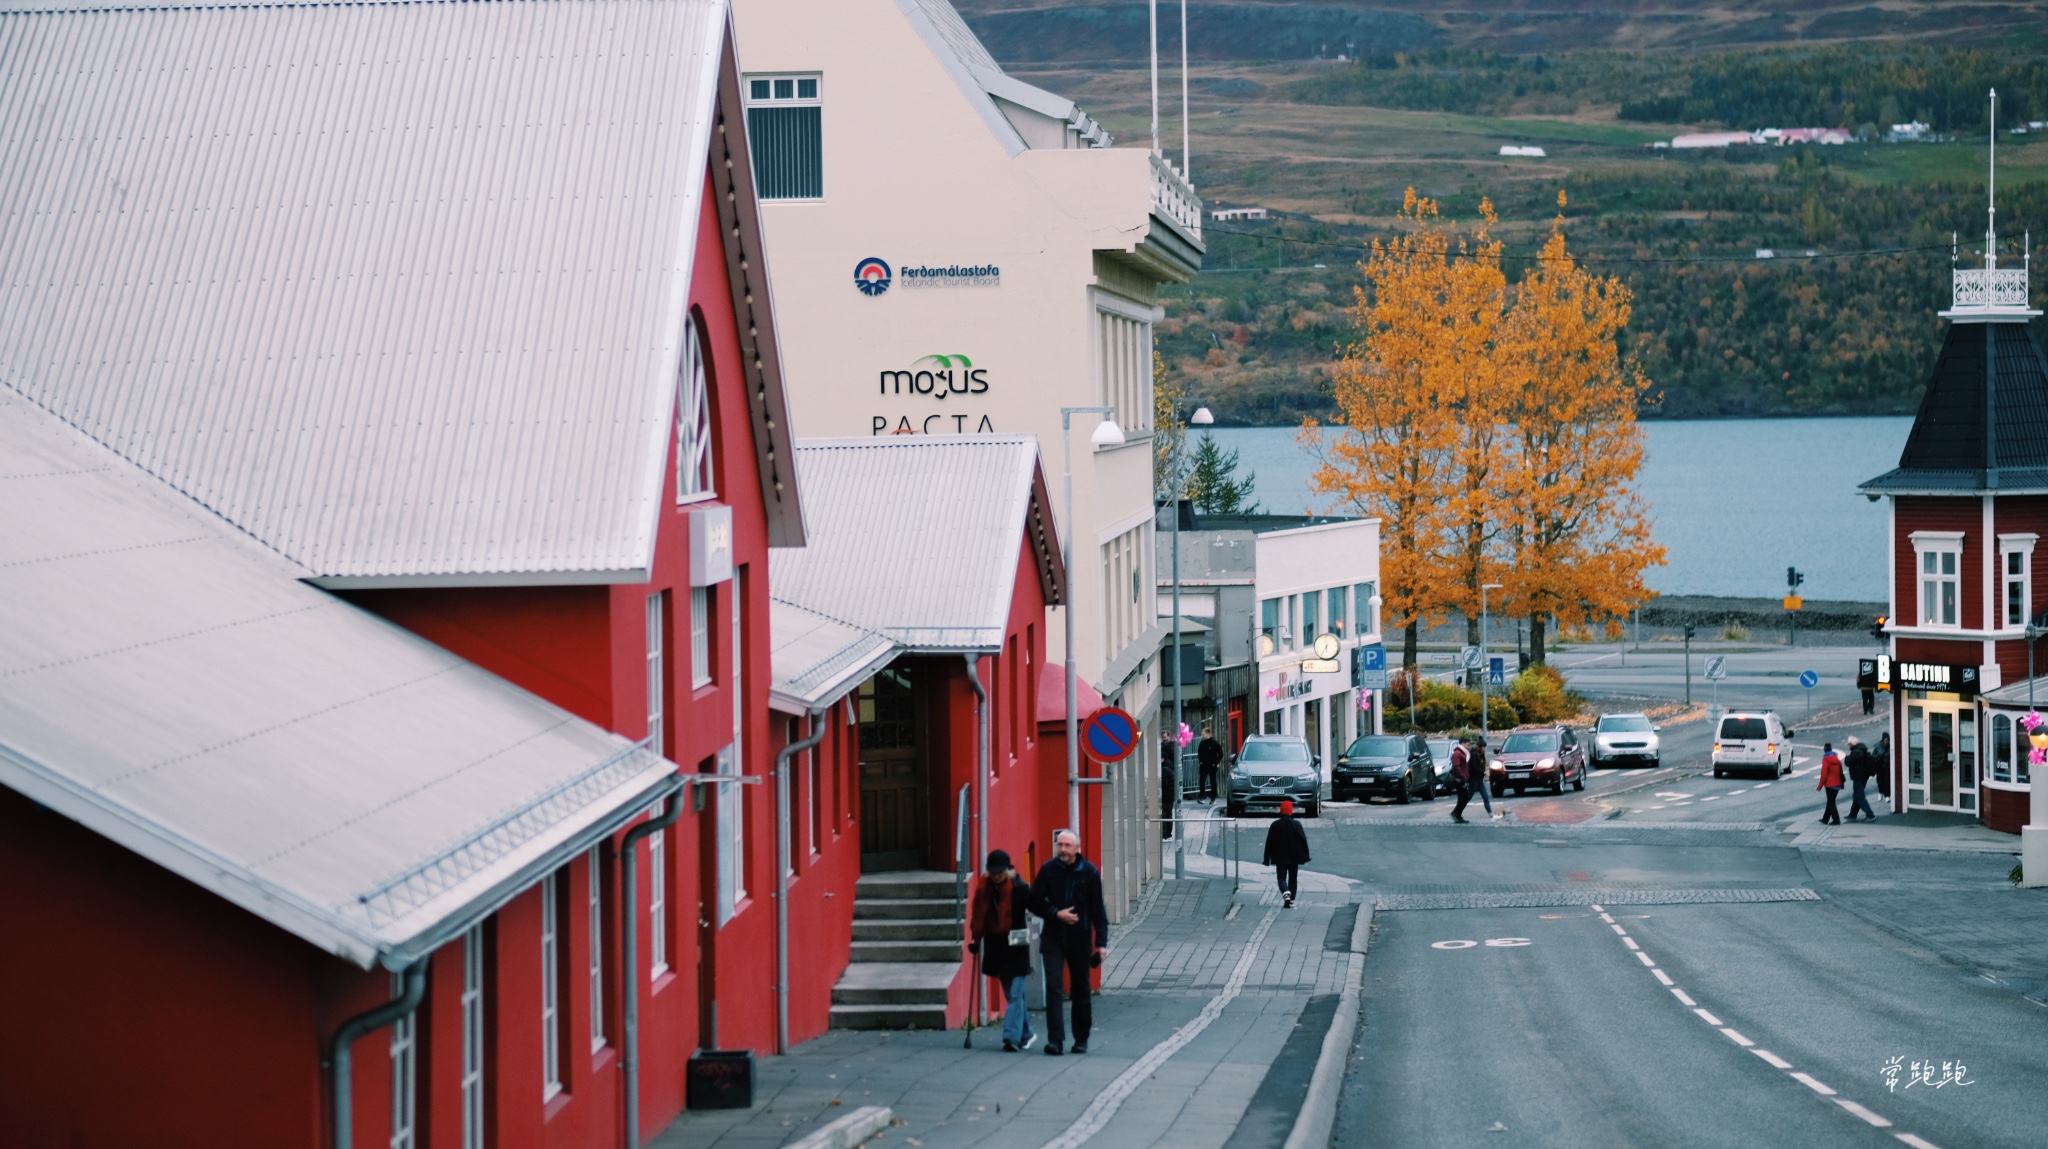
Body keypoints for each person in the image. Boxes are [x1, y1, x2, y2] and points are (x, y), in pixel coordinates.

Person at [1029, 829, 1108, 1056]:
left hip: (1079, 937)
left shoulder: (1090, 873)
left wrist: (1101, 943)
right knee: (1053, 988)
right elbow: (1034, 901)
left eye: (1067, 845)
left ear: (1077, 849)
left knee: (1080, 989)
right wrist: (1055, 913)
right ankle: (1055, 1040)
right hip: (1053, 935)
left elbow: (1097, 910)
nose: (1062, 849)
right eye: (1059, 845)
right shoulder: (1048, 870)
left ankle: (1081, 1038)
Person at [970, 849, 1037, 1052]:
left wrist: (1056, 915)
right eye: (992, 871)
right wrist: (976, 939)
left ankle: (1011, 1037)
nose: (996, 875)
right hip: (997, 948)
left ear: (1007, 870)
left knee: (1016, 994)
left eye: (999, 872)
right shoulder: (985, 889)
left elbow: (1038, 905)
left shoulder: (1019, 888)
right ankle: (1028, 1033)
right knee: (1011, 995)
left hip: (1017, 949)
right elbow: (979, 918)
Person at [1264, 798, 1311, 907]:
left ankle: (1285, 892)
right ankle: (1291, 898)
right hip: (1295, 856)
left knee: (1281, 878)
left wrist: (1267, 858)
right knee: (1293, 877)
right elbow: (1303, 840)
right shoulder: (1297, 824)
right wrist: (1306, 856)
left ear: (1281, 811)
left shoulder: (1275, 825)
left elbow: (1269, 842)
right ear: (1291, 811)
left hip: (1280, 856)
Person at [1844, 736, 1878, 823]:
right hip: (1863, 776)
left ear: (1852, 744)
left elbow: (1848, 762)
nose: (1848, 746)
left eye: (1849, 744)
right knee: (1857, 796)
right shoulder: (1862, 750)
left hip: (1859, 777)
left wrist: (1846, 757)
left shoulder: (1856, 752)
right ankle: (1853, 814)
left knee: (1859, 796)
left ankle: (1870, 814)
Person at [1818, 741, 1844, 825]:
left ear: (1824, 750)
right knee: (1830, 801)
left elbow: (1824, 774)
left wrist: (1820, 786)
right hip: (1837, 784)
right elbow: (1841, 772)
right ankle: (1825, 819)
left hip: (1830, 784)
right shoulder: (1837, 759)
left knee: (1831, 802)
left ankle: (1836, 820)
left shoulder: (1826, 760)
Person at [1197, 726, 1224, 800]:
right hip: (1203, 765)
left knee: (1213, 780)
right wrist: (1201, 762)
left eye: (1203, 734)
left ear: (1208, 734)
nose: (1202, 736)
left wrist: (1215, 762)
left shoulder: (1214, 743)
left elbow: (1220, 754)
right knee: (1202, 780)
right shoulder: (1202, 743)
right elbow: (1199, 753)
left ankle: (1213, 796)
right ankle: (1202, 795)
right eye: (1202, 734)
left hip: (1212, 765)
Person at [1160, 737, 1177, 839]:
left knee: (1165, 815)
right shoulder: (1168, 767)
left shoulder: (1164, 770)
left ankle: (1166, 833)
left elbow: (1164, 784)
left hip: (1166, 797)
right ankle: (1168, 833)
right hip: (1169, 797)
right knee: (1168, 815)